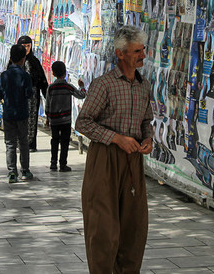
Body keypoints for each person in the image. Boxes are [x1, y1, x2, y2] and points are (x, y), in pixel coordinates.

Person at [75, 25, 153, 274]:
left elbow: (146, 121)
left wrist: (148, 139)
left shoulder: (143, 85)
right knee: (104, 230)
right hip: (105, 160)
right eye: (136, 51)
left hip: (133, 162)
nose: (142, 55)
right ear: (120, 54)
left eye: (143, 50)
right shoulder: (103, 85)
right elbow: (83, 122)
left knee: (134, 229)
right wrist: (116, 138)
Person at [0, 44, 34, 183]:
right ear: (24, 59)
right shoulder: (25, 76)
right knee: (23, 142)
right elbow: (29, 93)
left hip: (8, 114)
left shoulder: (4, 75)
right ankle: (25, 170)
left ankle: (12, 172)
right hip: (22, 114)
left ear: (10, 58)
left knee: (10, 144)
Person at [45, 61, 86, 172]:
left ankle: (53, 163)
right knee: (65, 141)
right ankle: (63, 164)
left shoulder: (51, 88)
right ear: (65, 73)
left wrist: (48, 119)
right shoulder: (68, 87)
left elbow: (47, 104)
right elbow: (81, 95)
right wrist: (82, 87)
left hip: (54, 120)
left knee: (54, 140)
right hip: (66, 120)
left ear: (53, 73)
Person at [17, 36, 48, 152]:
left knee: (31, 120)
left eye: (28, 46)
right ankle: (18, 143)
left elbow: (41, 79)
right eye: (23, 46)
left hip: (33, 97)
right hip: (19, 96)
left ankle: (31, 144)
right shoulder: (14, 62)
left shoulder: (34, 61)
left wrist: (47, 94)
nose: (26, 49)